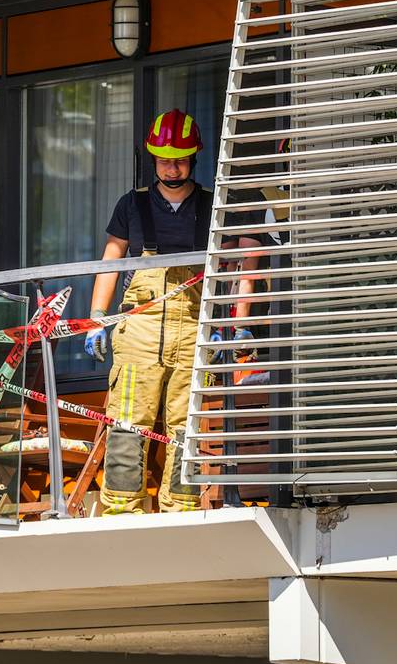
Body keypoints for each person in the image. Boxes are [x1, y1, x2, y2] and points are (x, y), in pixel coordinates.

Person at [84, 108, 265, 514]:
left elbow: (247, 257)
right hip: (140, 327)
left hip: (193, 324)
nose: (172, 167)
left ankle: (180, 511)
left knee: (188, 427)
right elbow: (111, 258)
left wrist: (236, 324)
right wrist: (97, 318)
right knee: (128, 422)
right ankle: (121, 512)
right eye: (165, 159)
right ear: (154, 160)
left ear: (193, 159)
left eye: (179, 159)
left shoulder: (212, 205)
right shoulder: (133, 205)